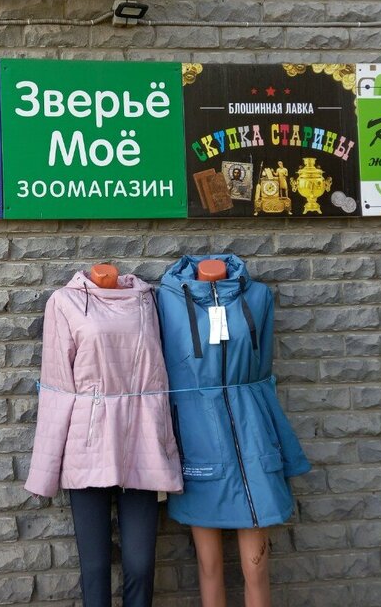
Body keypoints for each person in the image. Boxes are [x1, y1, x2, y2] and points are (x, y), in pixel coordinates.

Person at [156, 255, 310, 607]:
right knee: (209, 566)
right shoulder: (166, 300)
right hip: (197, 437)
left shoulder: (257, 296)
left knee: (256, 566)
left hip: (252, 434)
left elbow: (262, 369)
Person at [25, 264, 182, 607]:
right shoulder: (64, 302)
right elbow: (56, 387)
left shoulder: (146, 300)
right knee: (95, 568)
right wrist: (44, 472)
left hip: (142, 441)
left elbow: (159, 379)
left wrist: (164, 441)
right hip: (87, 442)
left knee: (141, 565)